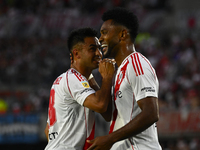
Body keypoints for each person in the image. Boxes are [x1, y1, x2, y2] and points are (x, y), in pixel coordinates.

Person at [87, 7, 162, 150]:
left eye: (104, 33)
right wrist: (99, 78)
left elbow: (151, 113)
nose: (100, 38)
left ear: (122, 34)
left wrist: (109, 139)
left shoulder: (136, 63)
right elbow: (108, 114)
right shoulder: (119, 70)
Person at [44, 27, 115, 150]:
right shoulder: (73, 79)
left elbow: (48, 130)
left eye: (99, 48)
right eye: (93, 49)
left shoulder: (67, 79)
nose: (99, 53)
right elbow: (101, 105)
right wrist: (107, 77)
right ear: (76, 54)